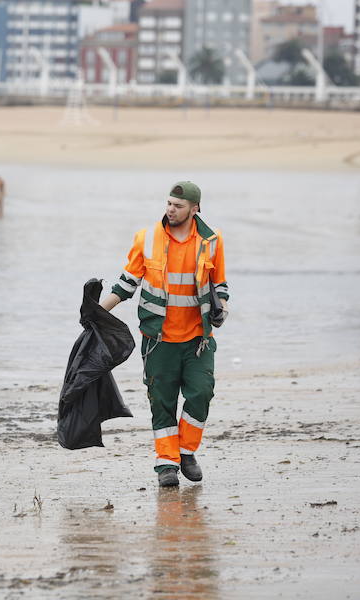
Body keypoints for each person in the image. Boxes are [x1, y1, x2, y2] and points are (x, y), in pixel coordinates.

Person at [99, 181, 229, 487]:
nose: (171, 210)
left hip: (198, 339)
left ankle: (186, 451)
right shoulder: (147, 239)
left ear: (195, 209)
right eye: (169, 204)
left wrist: (222, 306)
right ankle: (166, 464)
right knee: (162, 402)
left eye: (178, 206)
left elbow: (219, 283)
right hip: (158, 341)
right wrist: (98, 312)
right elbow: (126, 284)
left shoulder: (212, 241)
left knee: (201, 394)